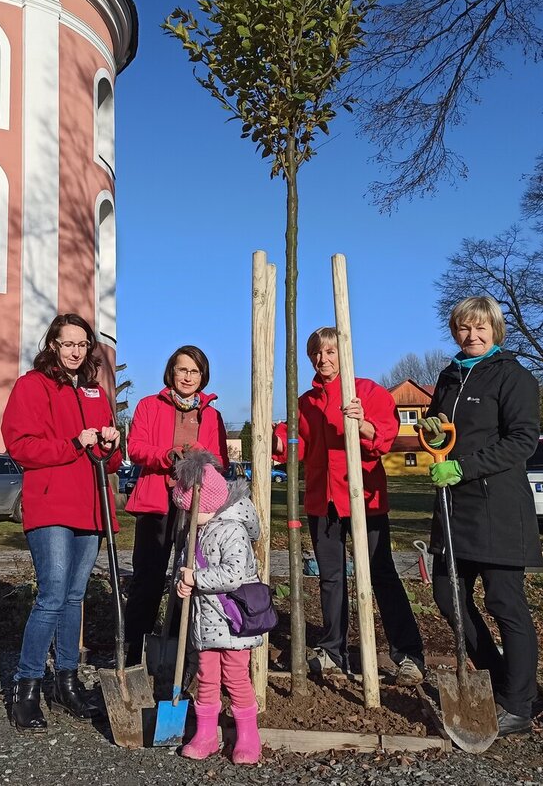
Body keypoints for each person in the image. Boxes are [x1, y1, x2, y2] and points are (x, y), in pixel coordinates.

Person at [272, 326, 425, 685]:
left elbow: (385, 437)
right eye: (316, 353)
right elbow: (295, 439)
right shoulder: (305, 401)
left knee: (380, 574)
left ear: (343, 355)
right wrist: (280, 440)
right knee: (330, 579)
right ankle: (332, 651)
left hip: (363, 498)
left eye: (329, 352)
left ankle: (408, 654)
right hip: (322, 499)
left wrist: (365, 426)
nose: (322, 359)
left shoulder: (367, 391)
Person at [418, 296, 541, 737]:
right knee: (446, 596)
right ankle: (502, 678)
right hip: (453, 507)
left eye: (480, 328)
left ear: (495, 330)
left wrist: (463, 467)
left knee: (505, 604)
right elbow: (437, 424)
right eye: (463, 329)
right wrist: (430, 429)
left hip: (497, 508)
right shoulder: (449, 376)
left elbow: (523, 440)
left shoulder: (513, 376)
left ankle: (518, 704)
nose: (471, 336)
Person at [0, 312, 121, 733]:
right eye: (67, 343)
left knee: (75, 597)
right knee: (51, 595)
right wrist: (73, 443)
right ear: (52, 344)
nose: (74, 351)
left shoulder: (95, 392)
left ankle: (67, 681)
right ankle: (27, 686)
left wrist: (111, 442)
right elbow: (21, 446)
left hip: (90, 505)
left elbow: (111, 462)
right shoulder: (32, 386)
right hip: (51, 505)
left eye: (82, 344)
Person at [123, 345, 229, 664]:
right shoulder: (148, 406)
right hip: (156, 502)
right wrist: (166, 455)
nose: (187, 376)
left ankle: (179, 647)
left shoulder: (212, 415)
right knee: (148, 577)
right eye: (182, 369)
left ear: (203, 377)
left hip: (195, 506)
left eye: (194, 371)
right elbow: (137, 447)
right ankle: (134, 649)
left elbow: (220, 460)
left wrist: (200, 455)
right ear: (171, 372)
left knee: (189, 575)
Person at [173, 449, 263, 765]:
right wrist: (183, 582)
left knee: (237, 678)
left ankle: (249, 737)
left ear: (209, 503)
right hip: (204, 622)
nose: (186, 516)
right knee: (206, 677)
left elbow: (234, 575)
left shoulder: (233, 529)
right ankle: (206, 734)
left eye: (190, 510)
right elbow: (183, 568)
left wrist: (195, 577)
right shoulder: (194, 532)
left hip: (233, 621)